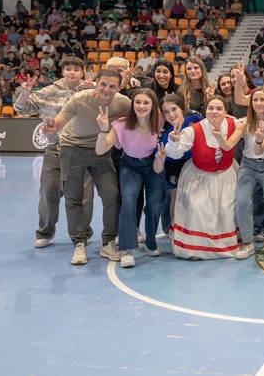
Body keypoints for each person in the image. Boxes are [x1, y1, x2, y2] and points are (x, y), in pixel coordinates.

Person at [42, 69, 131, 265]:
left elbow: (137, 118)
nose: (107, 89)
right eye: (103, 84)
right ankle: (79, 244)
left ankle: (108, 242)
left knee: (112, 194)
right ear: (95, 82)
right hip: (72, 148)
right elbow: (59, 122)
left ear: (119, 87)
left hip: (101, 151)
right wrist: (51, 127)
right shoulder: (79, 99)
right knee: (74, 197)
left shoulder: (123, 103)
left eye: (112, 86)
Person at [14, 57, 94, 248]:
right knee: (48, 193)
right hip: (56, 150)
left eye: (76, 69)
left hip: (83, 150)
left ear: (82, 72)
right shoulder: (49, 91)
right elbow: (21, 108)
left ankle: (82, 233)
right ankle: (45, 231)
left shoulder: (90, 90)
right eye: (68, 69)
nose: (72, 72)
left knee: (84, 197)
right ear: (62, 71)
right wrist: (25, 92)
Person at [95, 89, 164, 268]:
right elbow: (100, 150)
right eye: (138, 102)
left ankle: (150, 241)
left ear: (153, 106)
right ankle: (126, 249)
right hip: (130, 166)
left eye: (146, 103)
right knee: (128, 200)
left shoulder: (160, 121)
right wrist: (103, 130)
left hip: (153, 163)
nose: (141, 106)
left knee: (155, 204)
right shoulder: (121, 124)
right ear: (132, 104)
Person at [164, 95, 240, 259]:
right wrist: (174, 141)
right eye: (211, 108)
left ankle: (227, 243)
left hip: (226, 175)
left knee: (227, 209)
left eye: (219, 108)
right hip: (200, 176)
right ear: (205, 110)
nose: (214, 111)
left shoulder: (234, 123)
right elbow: (175, 154)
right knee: (197, 207)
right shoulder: (194, 130)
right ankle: (196, 248)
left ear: (226, 111)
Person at [228, 88, 264, 259]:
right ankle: (247, 242)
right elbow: (230, 143)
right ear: (251, 103)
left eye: (262, 99)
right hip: (248, 166)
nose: (258, 103)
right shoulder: (244, 122)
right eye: (255, 100)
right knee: (242, 202)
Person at [154, 94, 202, 237]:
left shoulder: (195, 118)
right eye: (166, 112)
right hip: (173, 166)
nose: (171, 114)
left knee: (197, 196)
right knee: (175, 196)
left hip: (195, 162)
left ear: (181, 108)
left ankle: (197, 228)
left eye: (174, 109)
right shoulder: (163, 133)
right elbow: (160, 161)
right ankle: (174, 228)